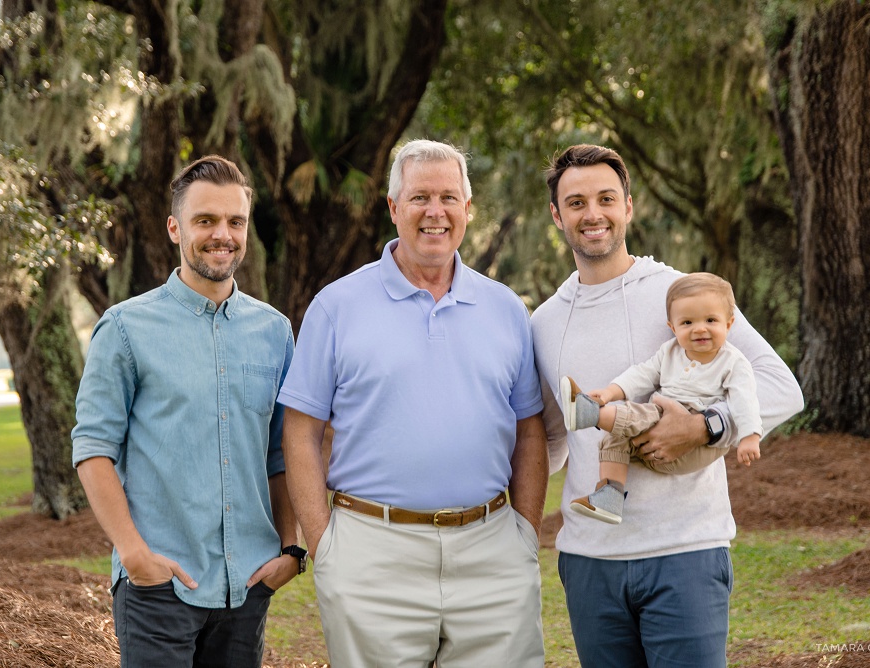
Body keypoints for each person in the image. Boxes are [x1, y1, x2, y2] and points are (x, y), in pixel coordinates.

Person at [530, 144, 804, 667]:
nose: (593, 214)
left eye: (607, 198)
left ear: (629, 206)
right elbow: (549, 439)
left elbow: (778, 385)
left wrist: (707, 426)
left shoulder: (681, 296)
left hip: (685, 553)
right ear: (556, 216)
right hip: (590, 562)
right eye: (577, 202)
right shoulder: (542, 322)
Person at [278, 139, 547, 666]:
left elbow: (530, 428)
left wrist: (525, 534)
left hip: (492, 553)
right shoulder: (336, 306)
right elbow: (301, 431)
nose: (435, 212)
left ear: (468, 210)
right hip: (371, 553)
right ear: (393, 207)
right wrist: (323, 545)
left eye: (449, 197)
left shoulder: (506, 309)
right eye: (420, 196)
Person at [72, 155, 302, 668]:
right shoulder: (127, 328)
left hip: (246, 587)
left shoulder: (275, 332)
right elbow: (92, 448)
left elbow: (282, 452)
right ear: (175, 227)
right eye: (206, 220)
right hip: (158, 584)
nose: (222, 234)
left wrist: (291, 548)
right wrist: (132, 552)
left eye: (235, 222)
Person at [560, 272, 762, 525]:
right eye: (687, 322)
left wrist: (750, 436)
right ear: (672, 327)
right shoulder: (670, 351)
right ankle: (609, 497)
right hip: (659, 439)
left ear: (729, 324)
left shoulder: (733, 362)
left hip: (694, 445)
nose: (700, 328)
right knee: (615, 438)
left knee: (641, 414)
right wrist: (611, 392)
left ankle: (589, 414)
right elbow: (643, 374)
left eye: (711, 320)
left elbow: (745, 400)